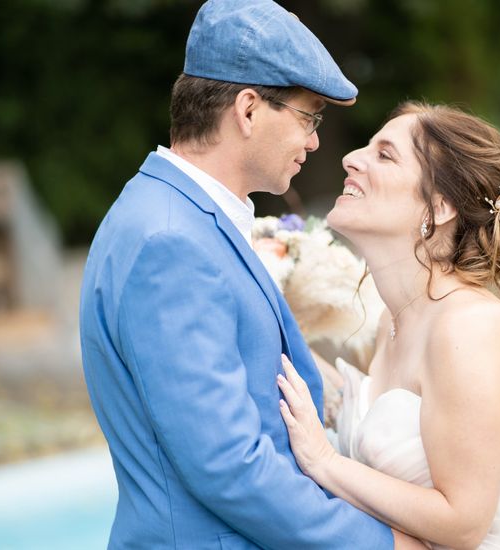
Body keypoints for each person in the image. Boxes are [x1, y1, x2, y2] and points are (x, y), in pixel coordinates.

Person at [78, 1, 432, 548]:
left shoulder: (175, 217)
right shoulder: (172, 243)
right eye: (309, 117)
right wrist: (380, 543)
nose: (315, 142)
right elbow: (228, 464)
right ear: (247, 110)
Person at [277, 102, 500, 549]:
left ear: (440, 205)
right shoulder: (396, 323)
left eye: (385, 155)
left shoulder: (467, 327)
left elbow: (463, 523)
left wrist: (324, 461)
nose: (351, 158)